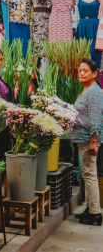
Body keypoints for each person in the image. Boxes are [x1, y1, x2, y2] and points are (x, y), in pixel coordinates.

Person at [72, 59, 103, 226]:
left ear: (94, 74)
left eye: (86, 70)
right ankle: (91, 207)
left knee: (90, 175)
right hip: (82, 137)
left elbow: (96, 118)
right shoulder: (86, 90)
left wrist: (93, 141)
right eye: (80, 70)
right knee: (87, 174)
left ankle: (95, 214)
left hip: (88, 139)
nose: (82, 73)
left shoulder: (94, 92)